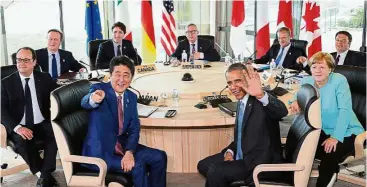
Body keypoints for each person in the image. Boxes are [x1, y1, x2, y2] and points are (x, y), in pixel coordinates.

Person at [81, 56, 167, 187]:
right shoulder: (99, 89)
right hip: (100, 152)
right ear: (110, 75)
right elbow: (86, 102)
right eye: (117, 74)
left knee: (159, 157)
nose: (121, 80)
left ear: (131, 78)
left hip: (121, 145)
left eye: (126, 75)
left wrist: (129, 152)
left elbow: (134, 128)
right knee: (137, 165)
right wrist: (94, 98)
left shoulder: (131, 96)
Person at [197, 63, 288, 187]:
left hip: (258, 162)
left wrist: (260, 94)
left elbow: (281, 111)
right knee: (203, 165)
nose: (233, 87)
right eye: (229, 83)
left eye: (238, 81)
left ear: (247, 80)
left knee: (216, 171)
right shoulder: (241, 102)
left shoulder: (260, 99)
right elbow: (241, 137)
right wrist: (230, 152)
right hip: (242, 155)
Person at [290, 52, 364, 187]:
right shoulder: (307, 81)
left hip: (346, 129)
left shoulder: (339, 81)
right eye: (314, 67)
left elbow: (344, 111)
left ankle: (324, 181)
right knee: (300, 147)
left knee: (330, 152)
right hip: (321, 128)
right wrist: (294, 101)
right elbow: (297, 95)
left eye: (322, 67)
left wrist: (336, 137)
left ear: (330, 69)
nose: (317, 70)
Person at [1, 47, 59, 187]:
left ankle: (44, 175)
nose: (22, 63)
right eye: (19, 60)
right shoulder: (6, 83)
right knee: (23, 140)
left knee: (56, 132)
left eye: (26, 60)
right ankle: (44, 175)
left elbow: (59, 93)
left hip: (41, 122)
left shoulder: (44, 78)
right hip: (19, 125)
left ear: (34, 62)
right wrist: (17, 128)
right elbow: (1, 110)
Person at [297, 31, 366, 67]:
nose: (339, 43)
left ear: (349, 43)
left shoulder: (359, 57)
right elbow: (316, 71)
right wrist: (305, 62)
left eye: (343, 40)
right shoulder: (329, 56)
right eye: (337, 40)